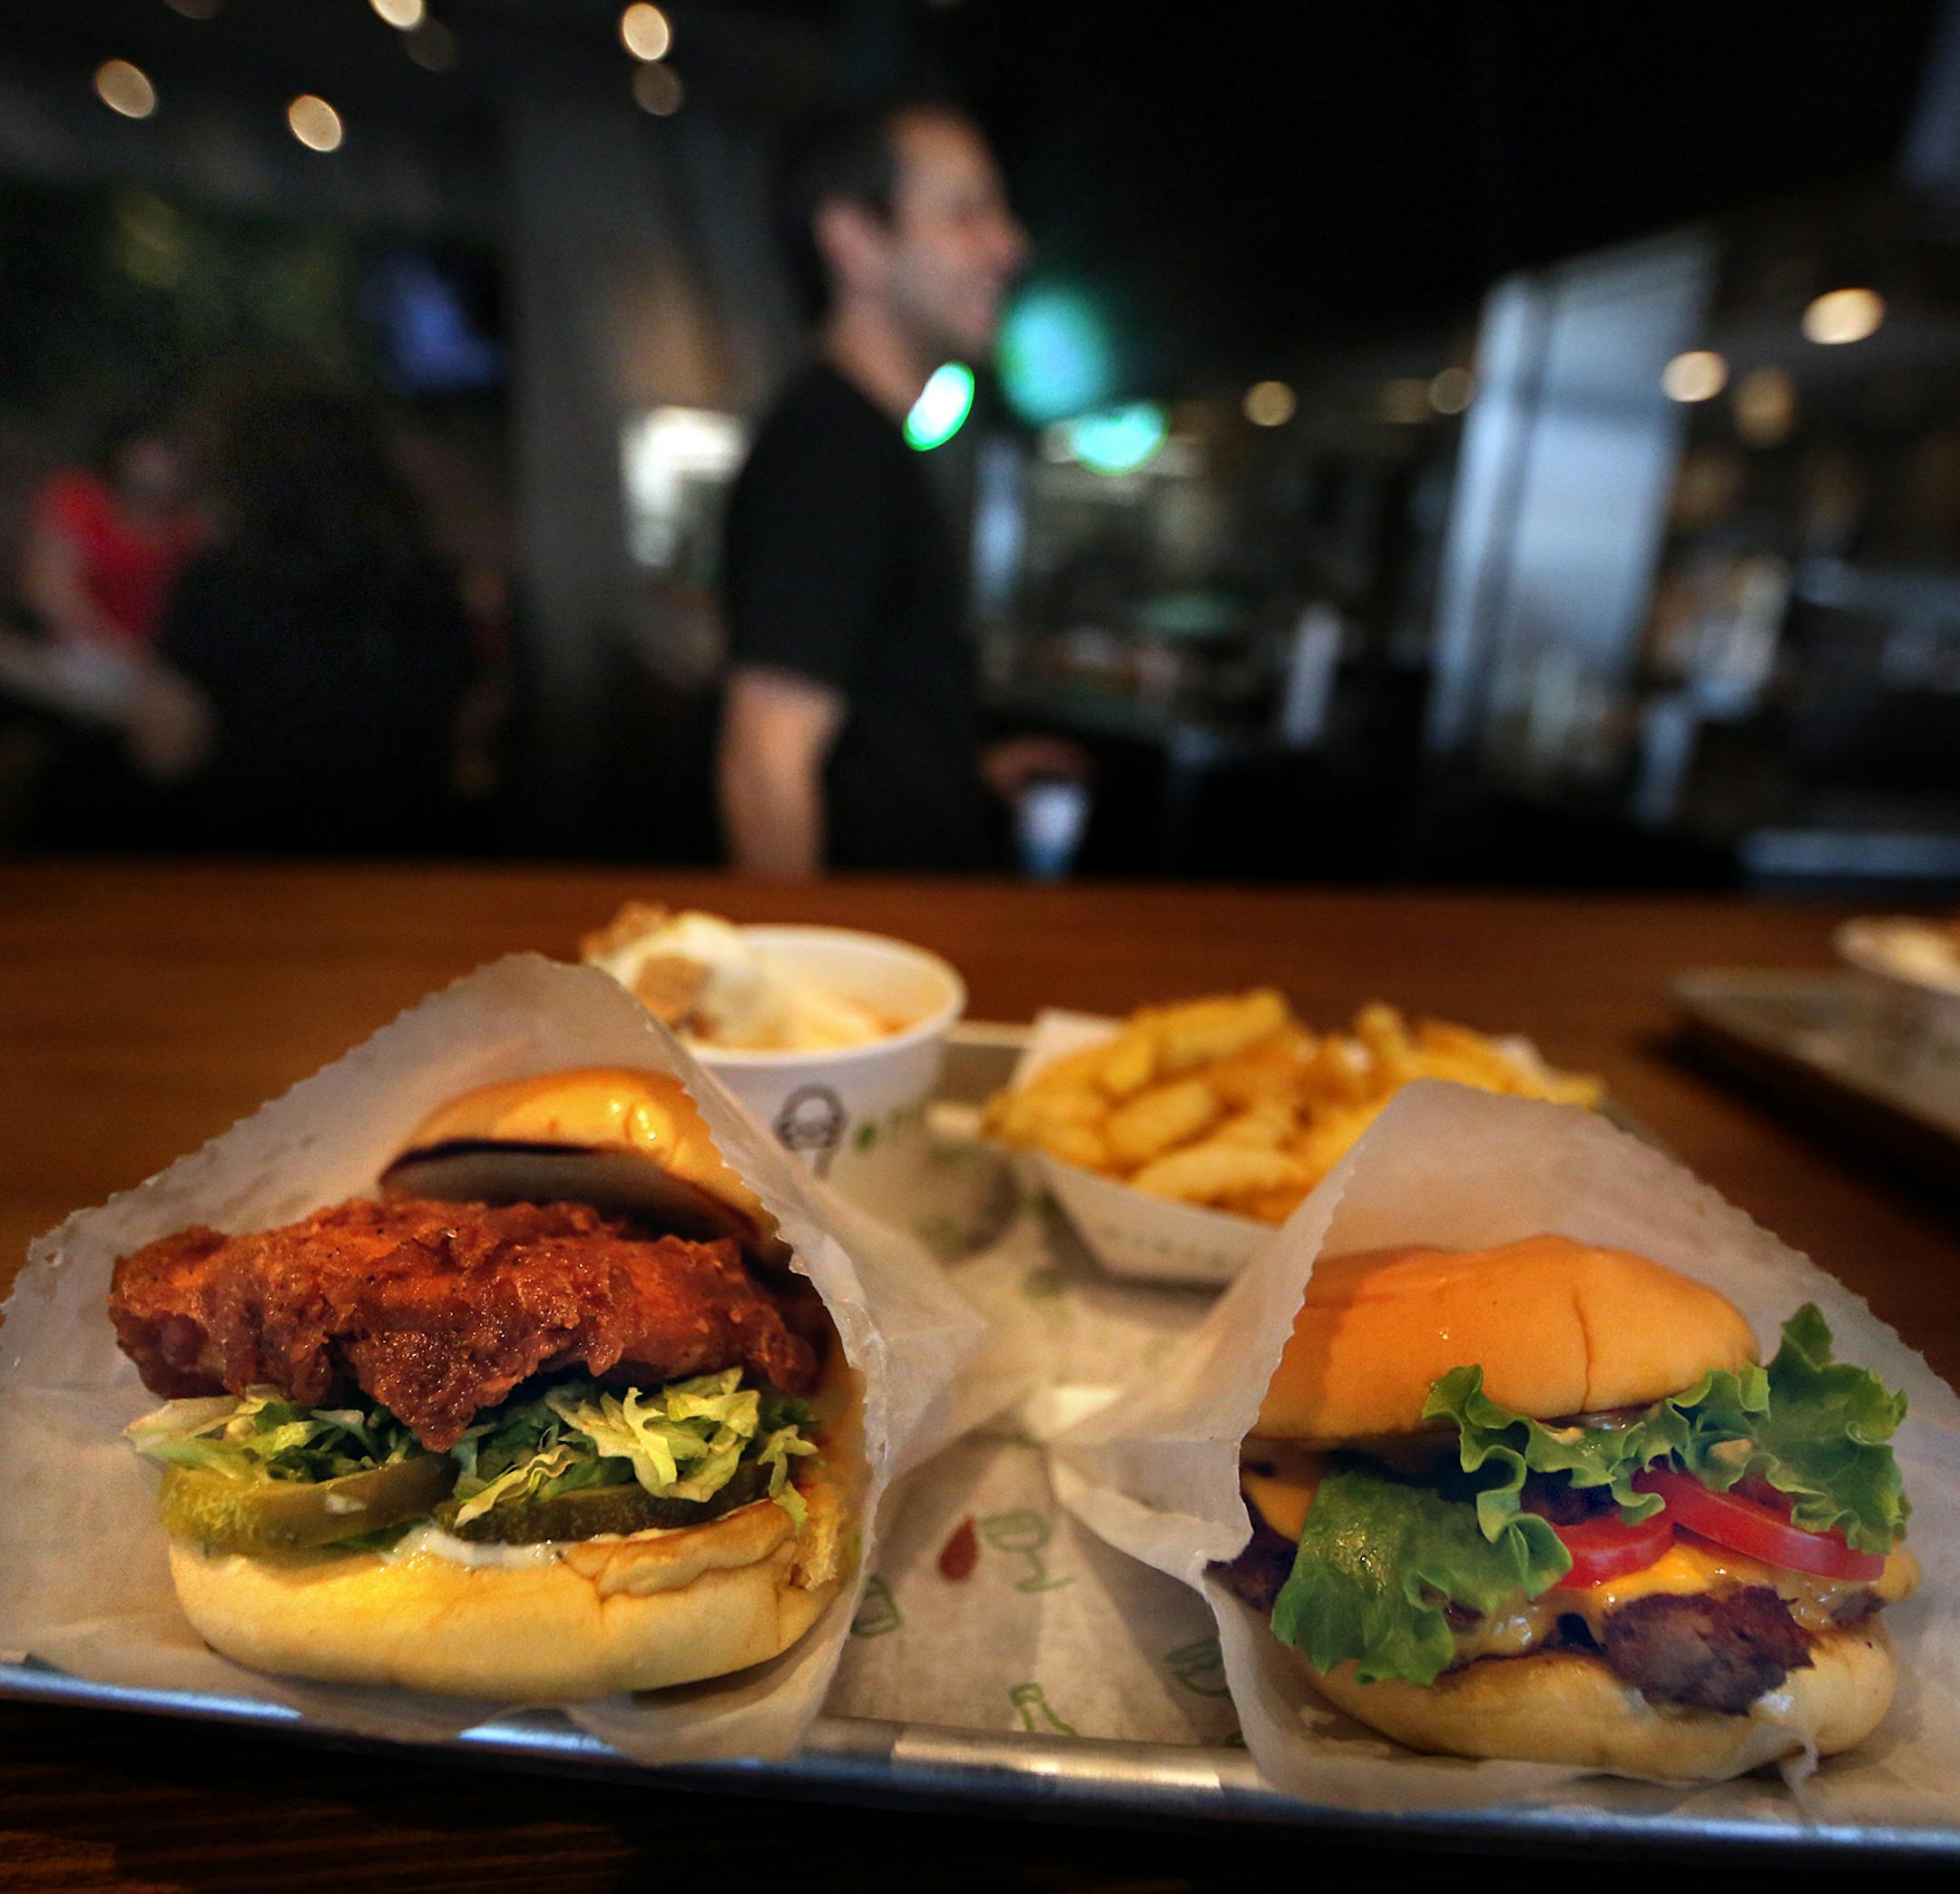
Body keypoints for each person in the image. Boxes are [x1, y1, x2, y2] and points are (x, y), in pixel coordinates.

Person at [718, 99, 1083, 876]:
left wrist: (960, 778)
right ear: (854, 242)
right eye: (967, 213)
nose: (1009, 246)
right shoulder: (831, 449)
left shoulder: (862, 439)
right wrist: (802, 987)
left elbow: (855, 739)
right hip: (876, 976)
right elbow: (763, 767)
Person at [150, 376, 478, 853]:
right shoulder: (422, 578)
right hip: (409, 857)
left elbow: (166, 754)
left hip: (252, 868)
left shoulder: (220, 583)